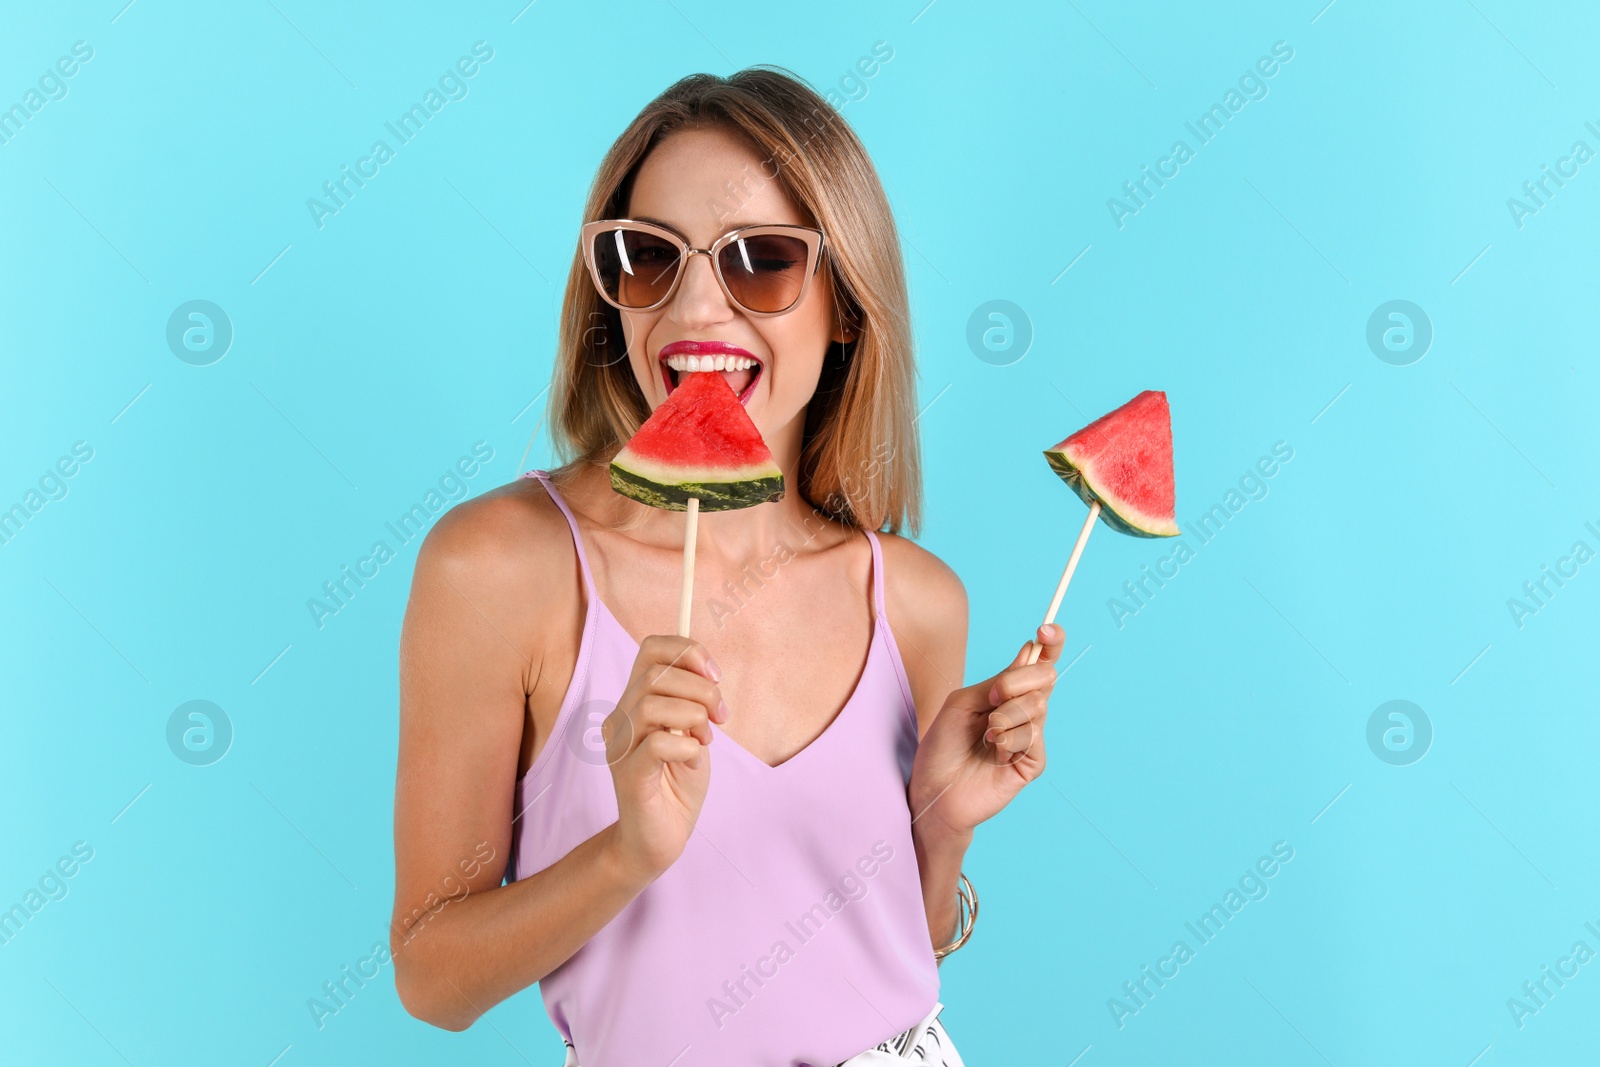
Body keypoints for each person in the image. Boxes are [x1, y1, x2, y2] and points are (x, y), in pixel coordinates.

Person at [389, 66, 1063, 1066]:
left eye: (759, 261)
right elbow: (431, 978)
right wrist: (627, 854)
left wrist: (942, 825)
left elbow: (888, 951)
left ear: (844, 302)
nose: (695, 309)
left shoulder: (915, 601)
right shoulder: (500, 565)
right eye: (648, 258)